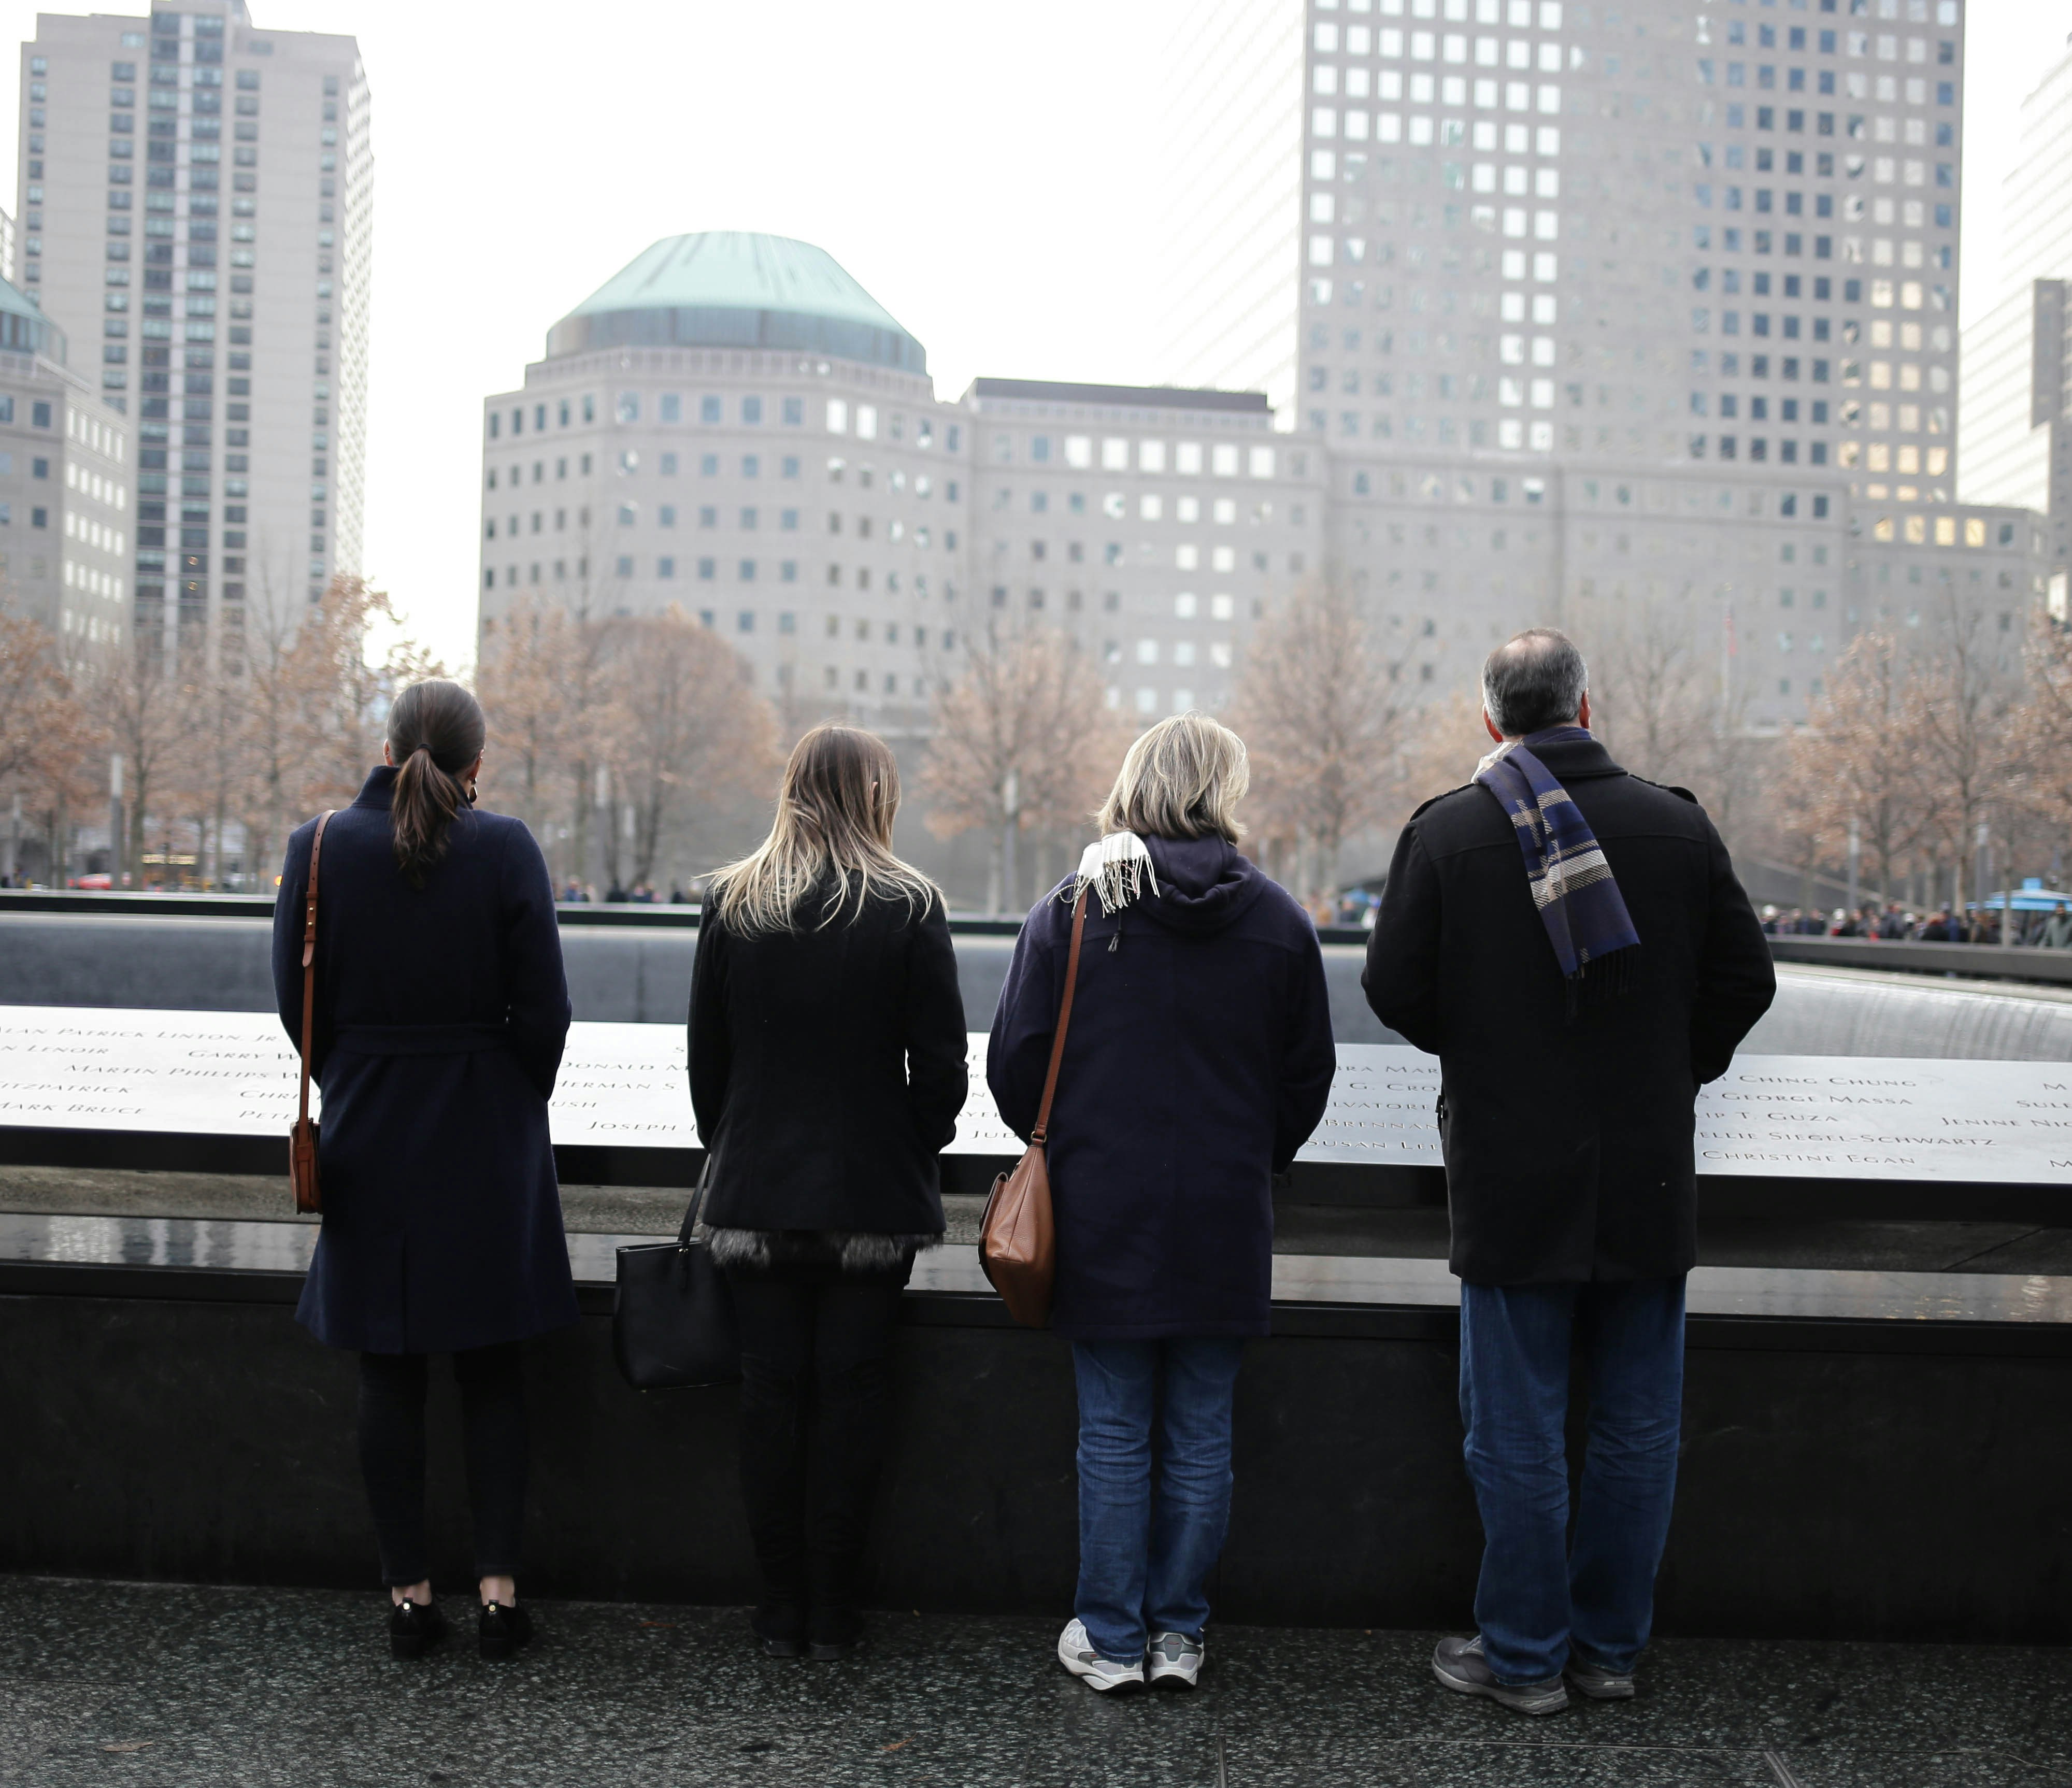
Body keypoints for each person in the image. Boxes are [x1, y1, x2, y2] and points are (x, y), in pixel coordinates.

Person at [1364, 630, 1774, 1716]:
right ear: (1585, 709)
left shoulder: (1449, 831)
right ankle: (1606, 1651)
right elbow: (1743, 976)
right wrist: (1673, 1066)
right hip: (1643, 1164)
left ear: (1490, 721)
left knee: (1511, 1423)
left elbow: (1393, 986)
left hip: (1507, 1166)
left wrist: (1489, 1054)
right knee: (1637, 1423)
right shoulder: (1676, 825)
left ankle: (1522, 1656)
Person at [989, 713, 1336, 1695]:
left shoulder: (1075, 909)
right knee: (1201, 1430)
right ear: (1226, 790)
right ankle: (1179, 1634)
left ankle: (1109, 1637)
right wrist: (1252, 1156)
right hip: (1225, 1214)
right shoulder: (1277, 919)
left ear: (1134, 785)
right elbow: (1308, 1074)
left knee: (1112, 1432)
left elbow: (1016, 1067)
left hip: (1101, 1214)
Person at [272, 678, 574, 1663]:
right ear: (477, 763)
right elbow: (547, 1012)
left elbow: (297, 1003)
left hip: (369, 1132)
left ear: (390, 744)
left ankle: (409, 1597)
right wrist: (503, 1086)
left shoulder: (317, 848)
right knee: (493, 1368)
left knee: (388, 1370)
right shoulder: (506, 847)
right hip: (487, 1134)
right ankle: (497, 1594)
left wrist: (358, 1075)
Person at [690, 724, 967, 1662]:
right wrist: (905, 1145)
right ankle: (838, 1611)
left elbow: (707, 1067)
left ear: (792, 789)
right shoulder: (910, 904)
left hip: (756, 1196)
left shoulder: (734, 901)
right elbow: (940, 1071)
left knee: (768, 1398)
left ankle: (778, 1613)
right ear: (876, 796)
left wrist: (737, 1151)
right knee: (852, 1398)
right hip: (869, 1204)